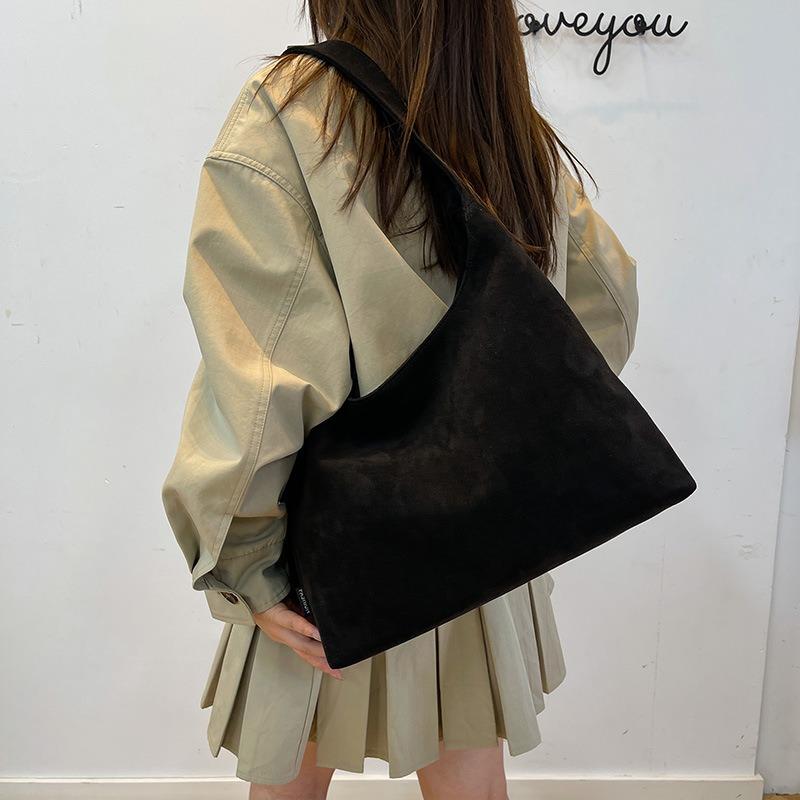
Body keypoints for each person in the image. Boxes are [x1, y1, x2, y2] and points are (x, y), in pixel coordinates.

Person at [160, 3, 639, 799]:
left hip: (324, 545)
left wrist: (243, 558)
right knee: (470, 775)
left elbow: (262, 375)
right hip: (478, 541)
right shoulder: (500, 119)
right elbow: (601, 310)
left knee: (289, 771)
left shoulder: (295, 110)